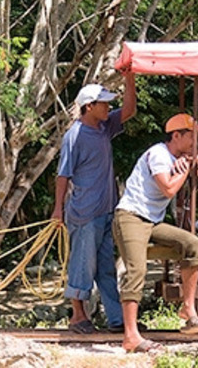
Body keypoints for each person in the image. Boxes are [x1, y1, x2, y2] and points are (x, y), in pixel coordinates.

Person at [113, 113, 198, 353]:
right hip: (131, 216)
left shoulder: (182, 155)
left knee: (191, 242)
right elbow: (169, 188)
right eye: (191, 136)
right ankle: (131, 336)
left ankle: (188, 309)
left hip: (153, 221)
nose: (195, 141)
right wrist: (186, 168)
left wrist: (195, 159)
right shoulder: (159, 154)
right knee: (137, 269)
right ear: (176, 136)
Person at [51, 73, 136, 334]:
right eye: (104, 103)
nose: (108, 107)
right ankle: (78, 316)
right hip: (84, 212)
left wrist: (130, 78)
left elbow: (130, 109)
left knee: (106, 268)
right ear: (90, 106)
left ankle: (117, 318)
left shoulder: (104, 126)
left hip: (105, 210)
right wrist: (58, 210)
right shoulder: (74, 136)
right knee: (82, 264)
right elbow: (63, 174)